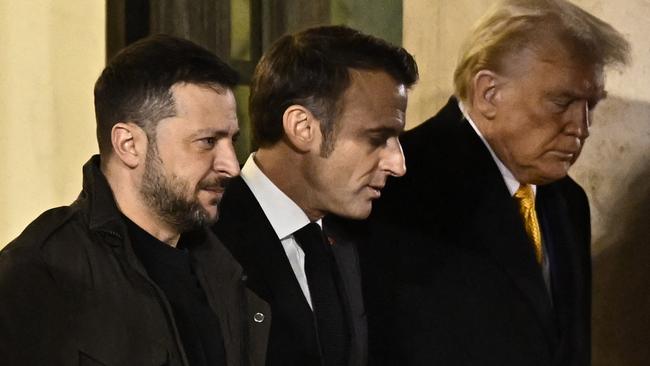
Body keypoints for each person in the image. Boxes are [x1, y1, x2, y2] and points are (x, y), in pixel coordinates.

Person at [361, 0, 630, 365]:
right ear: (489, 93)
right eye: (561, 101)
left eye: (591, 105)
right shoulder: (395, 184)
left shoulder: (568, 201)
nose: (581, 128)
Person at [0, 35, 269, 366]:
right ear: (129, 144)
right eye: (207, 141)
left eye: (232, 140)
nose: (231, 165)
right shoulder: (40, 271)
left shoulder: (221, 264)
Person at [213, 25, 418, 366]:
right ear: (303, 127)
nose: (398, 164)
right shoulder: (203, 240)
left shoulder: (359, 237)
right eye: (376, 138)